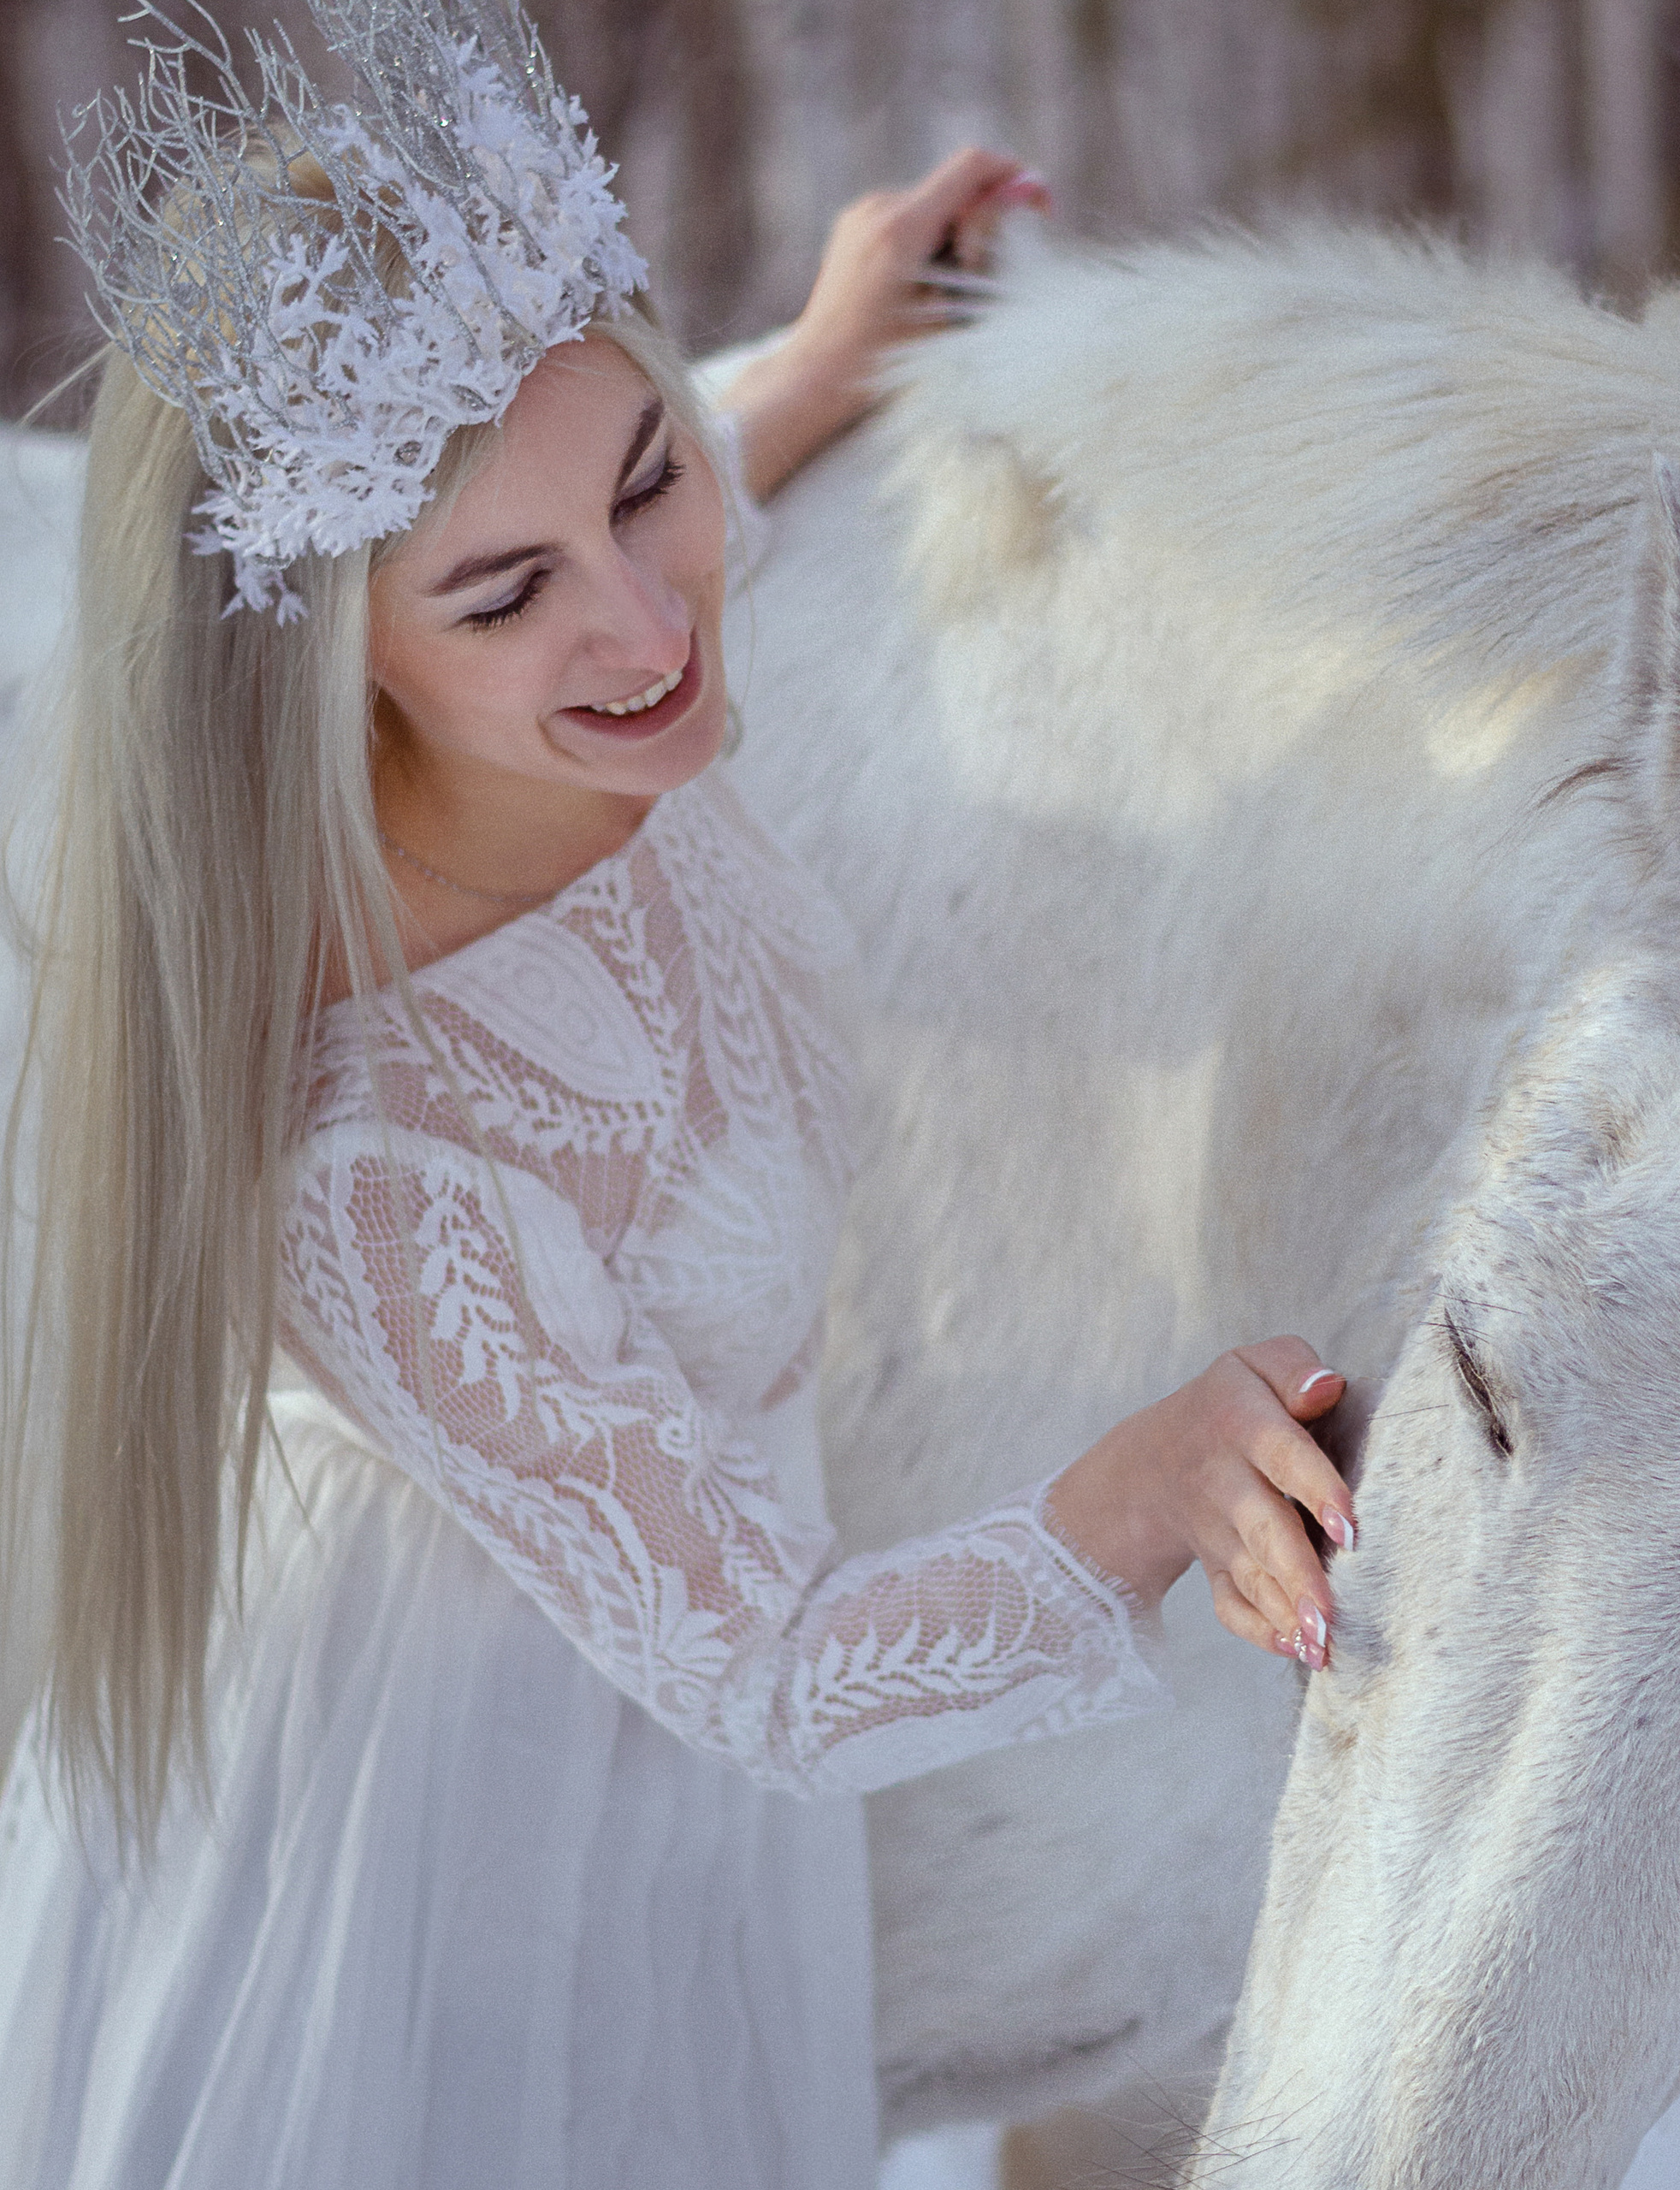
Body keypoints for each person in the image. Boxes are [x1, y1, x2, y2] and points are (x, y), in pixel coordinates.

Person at [0, 6, 1352, 2187]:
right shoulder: (385, 1158)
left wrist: (809, 364)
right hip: (471, 1844)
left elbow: (580, 492)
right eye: (507, 593)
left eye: (647, 480)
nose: (651, 627)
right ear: (344, 657)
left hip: (667, 1762)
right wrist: (1146, 1483)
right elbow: (773, 1672)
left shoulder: (581, 682)